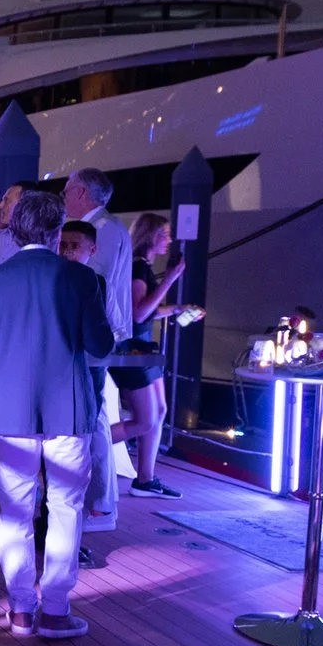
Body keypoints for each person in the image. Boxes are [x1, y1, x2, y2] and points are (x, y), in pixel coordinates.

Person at [0, 189, 114, 640]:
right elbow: (100, 346)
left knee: (13, 510)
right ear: (58, 231)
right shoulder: (81, 279)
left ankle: (18, 609)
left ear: (14, 232)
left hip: (9, 407)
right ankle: (55, 609)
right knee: (65, 507)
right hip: (67, 408)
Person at [64, 168, 135, 548]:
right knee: (94, 415)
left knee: (91, 418)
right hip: (98, 335)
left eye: (66, 191)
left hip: (94, 337)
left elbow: (94, 279)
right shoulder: (111, 226)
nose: (63, 198)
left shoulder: (102, 229)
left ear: (80, 192)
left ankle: (98, 504)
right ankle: (99, 502)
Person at [115, 210, 190, 499]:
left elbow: (148, 309)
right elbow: (138, 313)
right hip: (134, 348)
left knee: (158, 412)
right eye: (165, 234)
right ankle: (89, 445)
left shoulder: (142, 266)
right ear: (151, 236)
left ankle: (146, 479)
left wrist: (179, 309)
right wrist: (169, 280)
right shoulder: (138, 268)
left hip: (144, 346)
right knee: (145, 419)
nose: (169, 240)